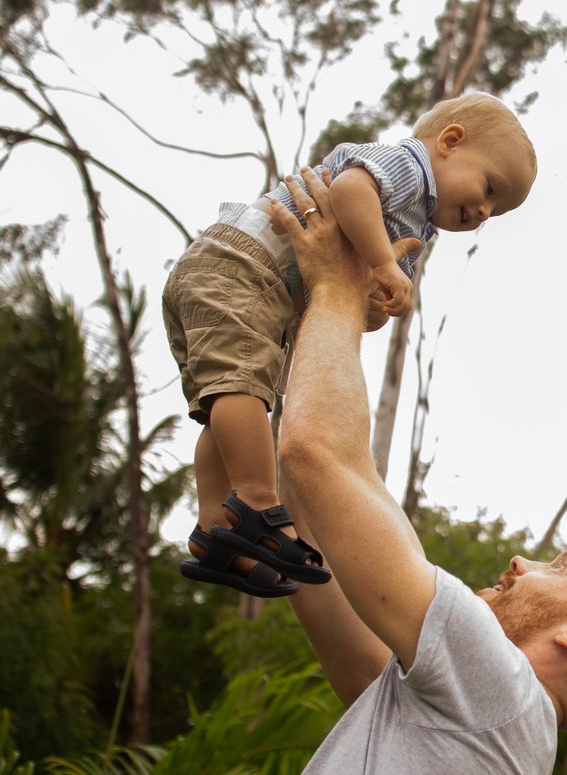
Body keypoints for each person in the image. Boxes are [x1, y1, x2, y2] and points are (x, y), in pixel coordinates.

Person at [268, 167, 567, 770]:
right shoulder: (493, 734)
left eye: (563, 565)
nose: (523, 560)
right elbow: (312, 536)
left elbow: (316, 457)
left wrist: (336, 283)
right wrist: (316, 324)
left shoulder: (502, 687)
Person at [162, 94, 537, 596]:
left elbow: (352, 300)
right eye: (490, 188)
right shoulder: (407, 167)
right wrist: (384, 265)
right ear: (450, 142)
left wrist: (375, 306)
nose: (485, 211)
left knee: (230, 402)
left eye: (496, 211)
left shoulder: (413, 228)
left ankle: (217, 530)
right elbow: (349, 190)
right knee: (243, 390)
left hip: (258, 289)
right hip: (243, 267)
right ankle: (254, 501)